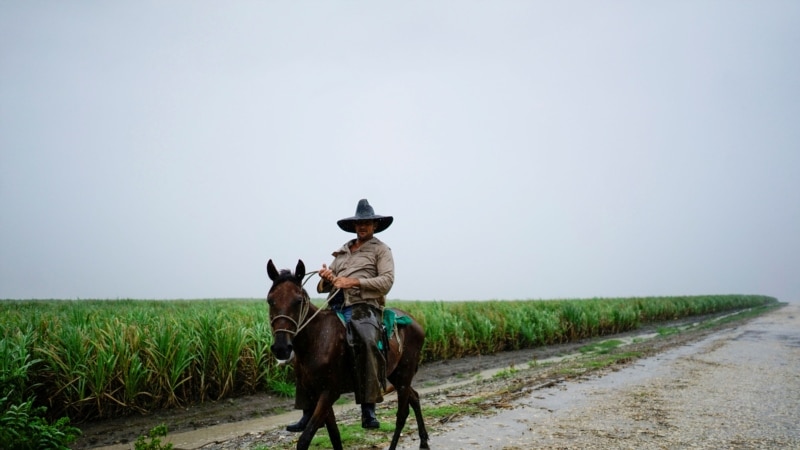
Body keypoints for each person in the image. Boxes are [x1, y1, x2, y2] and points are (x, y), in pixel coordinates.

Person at [286, 198, 394, 431]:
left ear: (375, 225)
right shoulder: (342, 252)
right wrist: (326, 279)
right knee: (303, 342)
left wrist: (353, 281)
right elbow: (322, 289)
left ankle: (368, 407)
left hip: (364, 306)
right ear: (354, 226)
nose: (362, 227)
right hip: (335, 306)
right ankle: (307, 411)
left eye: (367, 223)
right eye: (358, 223)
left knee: (365, 340)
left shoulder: (381, 250)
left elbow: (387, 281)